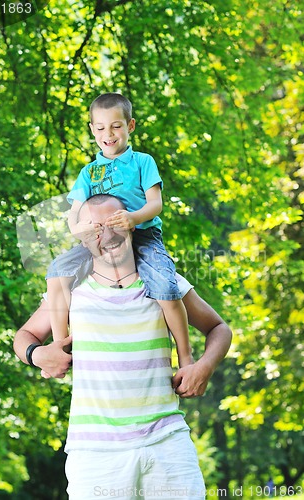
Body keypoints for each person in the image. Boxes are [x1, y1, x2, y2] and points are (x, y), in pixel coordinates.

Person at [14, 194, 232, 500]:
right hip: (95, 453)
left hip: (166, 442)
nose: (107, 235)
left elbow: (219, 328)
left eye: (115, 222)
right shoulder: (70, 288)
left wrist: (203, 367)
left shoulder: (163, 282)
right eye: (95, 228)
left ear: (131, 225)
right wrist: (37, 354)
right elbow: (24, 335)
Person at [46, 92, 193, 369]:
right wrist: (82, 229)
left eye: (116, 126)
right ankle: (61, 347)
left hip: (143, 236)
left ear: (130, 126)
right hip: (100, 241)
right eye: (100, 127)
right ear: (92, 130)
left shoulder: (142, 162)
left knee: (165, 286)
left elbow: (156, 204)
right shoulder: (89, 173)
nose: (108, 134)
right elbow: (73, 216)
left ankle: (185, 356)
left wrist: (133, 218)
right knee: (57, 272)